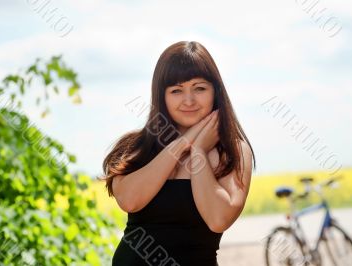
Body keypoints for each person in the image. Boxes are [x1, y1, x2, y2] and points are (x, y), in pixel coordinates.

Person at [102, 40, 256, 266]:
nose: (189, 100)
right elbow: (130, 201)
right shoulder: (135, 147)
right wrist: (183, 143)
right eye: (176, 90)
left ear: (216, 91)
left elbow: (218, 219)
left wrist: (199, 153)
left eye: (200, 88)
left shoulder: (233, 152)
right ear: (161, 96)